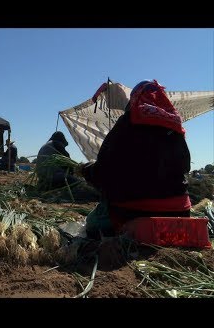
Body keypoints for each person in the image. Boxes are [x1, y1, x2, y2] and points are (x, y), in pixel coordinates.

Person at [80, 79, 192, 239]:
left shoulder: (129, 121)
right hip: (180, 212)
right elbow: (185, 167)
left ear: (135, 99)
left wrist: (87, 170)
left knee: (92, 222)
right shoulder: (175, 128)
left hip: (133, 212)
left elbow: (104, 170)